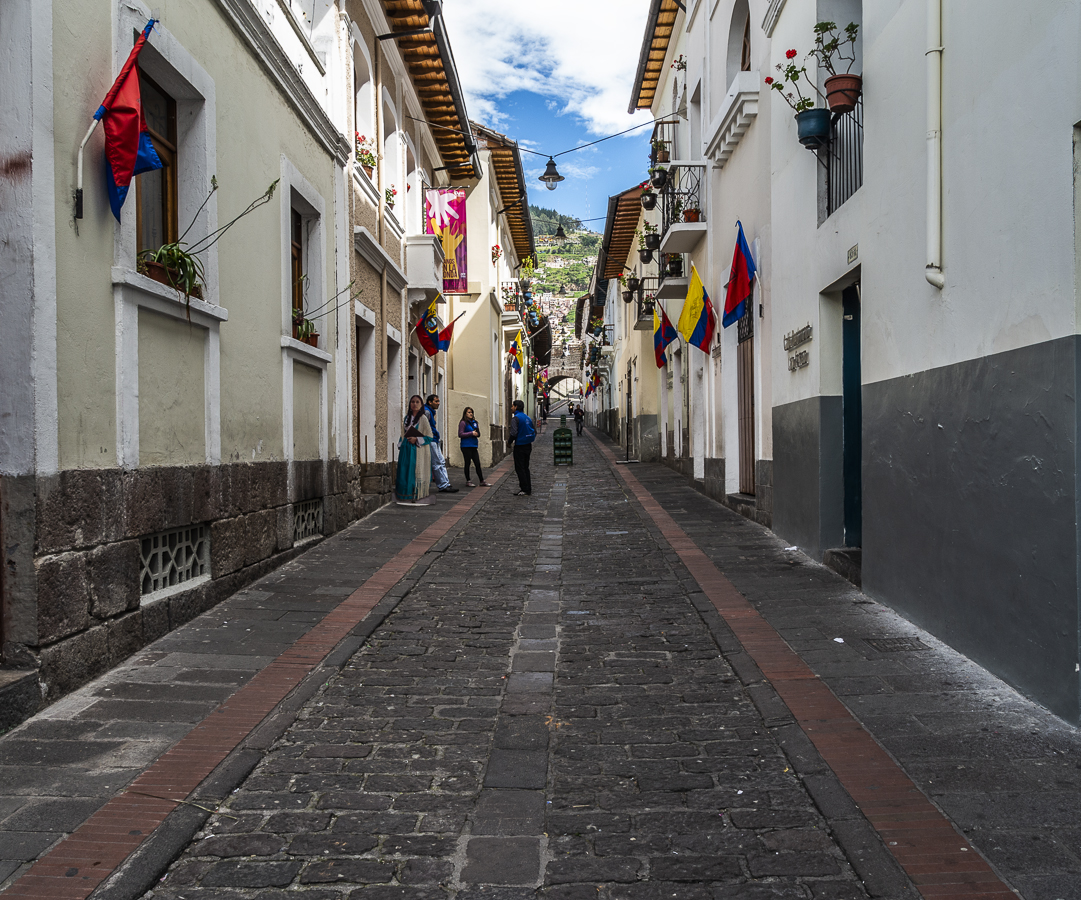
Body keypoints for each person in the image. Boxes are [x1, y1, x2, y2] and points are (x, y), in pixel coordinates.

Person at [395, 395, 435, 504]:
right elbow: (403, 434)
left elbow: (429, 436)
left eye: (417, 402)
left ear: (421, 404)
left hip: (417, 450)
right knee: (404, 469)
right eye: (412, 402)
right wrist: (401, 443)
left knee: (413, 471)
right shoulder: (406, 418)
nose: (415, 404)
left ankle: (414, 494)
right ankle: (404, 494)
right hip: (405, 448)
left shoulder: (423, 419)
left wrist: (416, 439)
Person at [424, 394, 458, 493]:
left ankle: (446, 483)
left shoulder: (430, 411)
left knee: (441, 461)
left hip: (435, 439)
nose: (438, 403)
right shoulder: (426, 411)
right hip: (431, 440)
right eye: (436, 401)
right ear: (430, 402)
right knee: (437, 462)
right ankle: (443, 485)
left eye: (438, 401)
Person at [508, 399, 536, 496]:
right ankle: (528, 488)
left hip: (520, 445)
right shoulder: (527, 417)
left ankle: (524, 488)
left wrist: (509, 442)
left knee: (520, 468)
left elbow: (514, 433)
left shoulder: (516, 418)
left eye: (512, 406)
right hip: (528, 445)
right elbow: (534, 430)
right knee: (525, 467)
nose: (511, 407)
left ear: (516, 407)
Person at [458, 407, 490, 487]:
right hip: (466, 446)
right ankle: (468, 480)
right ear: (465, 413)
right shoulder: (463, 422)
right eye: (468, 412)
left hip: (474, 445)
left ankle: (482, 480)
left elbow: (478, 433)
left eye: (471, 412)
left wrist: (476, 433)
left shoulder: (475, 422)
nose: (470, 414)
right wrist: (471, 433)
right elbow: (460, 434)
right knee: (467, 463)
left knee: (477, 463)